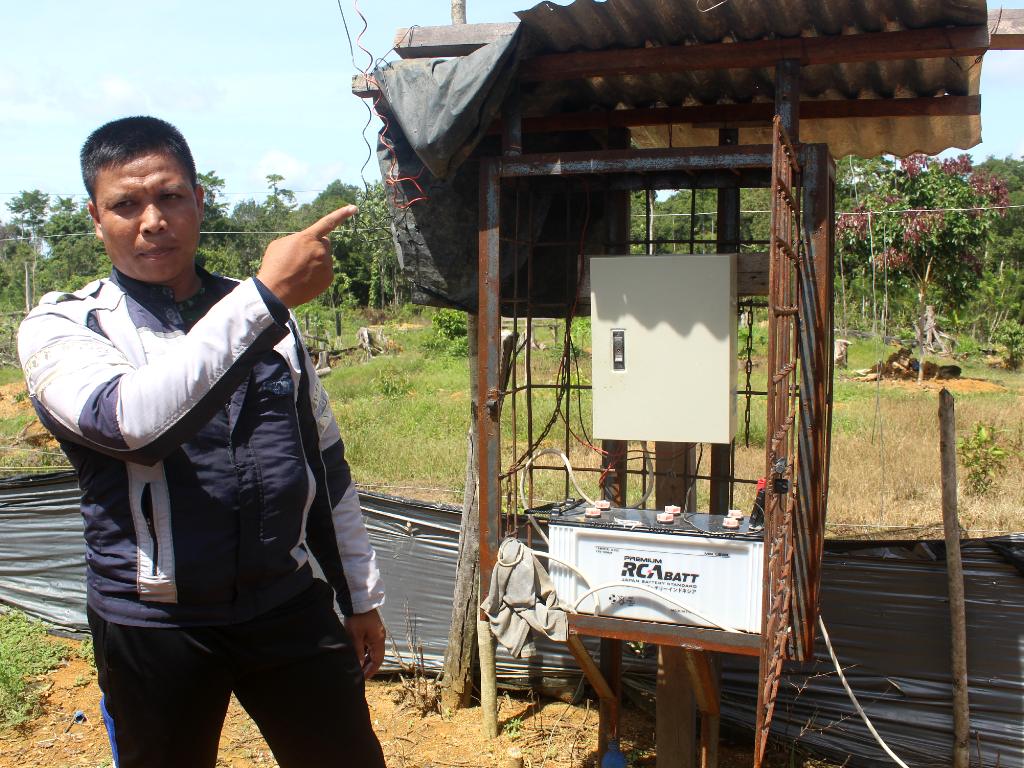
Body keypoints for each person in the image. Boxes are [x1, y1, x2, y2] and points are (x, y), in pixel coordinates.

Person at [18, 116, 388, 768]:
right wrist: (266, 296)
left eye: (170, 197)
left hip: (286, 605)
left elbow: (324, 464)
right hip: (155, 626)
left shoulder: (272, 321)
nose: (152, 221)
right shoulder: (66, 325)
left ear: (199, 200)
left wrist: (359, 596)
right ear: (95, 218)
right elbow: (132, 427)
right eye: (125, 205)